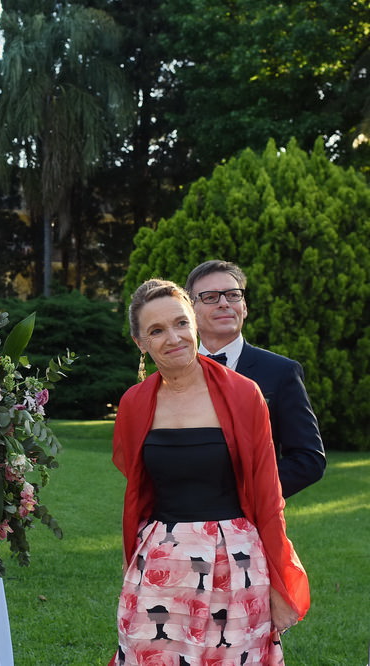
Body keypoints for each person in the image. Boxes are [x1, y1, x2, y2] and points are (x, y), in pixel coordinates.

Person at [111, 278, 309, 665]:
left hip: (235, 564)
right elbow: (137, 490)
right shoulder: (134, 403)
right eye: (156, 330)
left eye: (181, 323)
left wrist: (280, 586)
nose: (173, 338)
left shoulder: (244, 393)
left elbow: (268, 497)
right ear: (141, 343)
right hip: (160, 565)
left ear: (194, 324)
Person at [185, 260, 325, 497]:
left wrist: (246, 493)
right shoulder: (175, 374)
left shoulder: (281, 372)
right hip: (180, 521)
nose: (224, 303)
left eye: (232, 295)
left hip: (252, 523)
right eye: (210, 297)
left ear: (245, 306)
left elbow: (309, 459)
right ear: (190, 310)